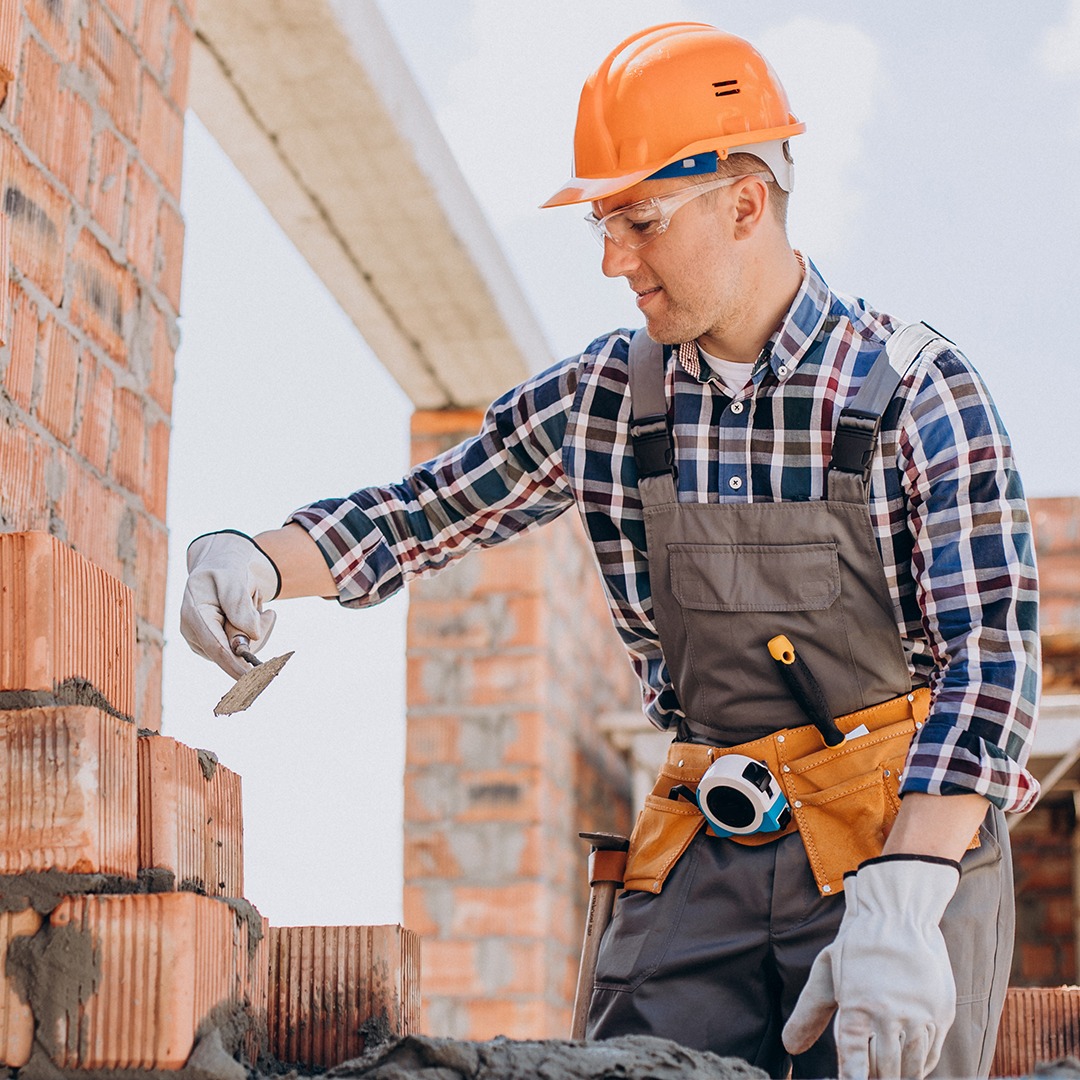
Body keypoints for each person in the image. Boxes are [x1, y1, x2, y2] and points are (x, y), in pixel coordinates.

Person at [181, 22, 1040, 1080]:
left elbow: (992, 660)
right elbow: (422, 510)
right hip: (711, 840)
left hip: (897, 833)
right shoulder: (608, 399)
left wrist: (911, 887)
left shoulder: (913, 389)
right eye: (602, 222)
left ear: (742, 201)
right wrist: (258, 558)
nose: (611, 259)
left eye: (639, 220)